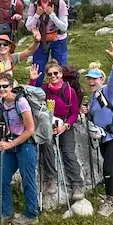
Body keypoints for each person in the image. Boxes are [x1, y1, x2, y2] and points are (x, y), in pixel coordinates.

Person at [82, 40, 113, 217]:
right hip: (103, 137)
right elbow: (96, 118)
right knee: (112, 166)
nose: (91, 81)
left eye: (94, 78)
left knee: (107, 167)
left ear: (101, 79)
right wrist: (86, 113)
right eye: (89, 78)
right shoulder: (92, 98)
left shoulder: (108, 90)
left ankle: (109, 200)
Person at [29, 61, 84, 202]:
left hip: (64, 124)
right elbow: (31, 96)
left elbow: (74, 112)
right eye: (50, 74)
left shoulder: (69, 91)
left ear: (61, 74)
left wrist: (65, 126)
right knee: (47, 146)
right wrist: (33, 80)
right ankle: (51, 178)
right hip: (48, 124)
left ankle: (77, 184)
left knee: (68, 151)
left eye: (56, 73)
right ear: (47, 76)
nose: (53, 76)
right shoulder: (43, 89)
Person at [0, 72, 39, 225]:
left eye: (5, 86)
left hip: (26, 144)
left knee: (28, 179)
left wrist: (10, 144)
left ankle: (31, 215)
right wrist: (5, 133)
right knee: (3, 178)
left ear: (11, 86)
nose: (2, 89)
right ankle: (6, 212)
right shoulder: (2, 101)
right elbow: (10, 121)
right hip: (11, 141)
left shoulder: (22, 103)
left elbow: (30, 129)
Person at [25, 0, 69, 84]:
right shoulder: (34, 4)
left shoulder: (60, 3)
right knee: (38, 68)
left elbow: (64, 27)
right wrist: (37, 15)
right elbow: (28, 26)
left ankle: (61, 91)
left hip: (58, 39)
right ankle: (36, 91)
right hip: (41, 40)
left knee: (60, 68)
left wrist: (52, 15)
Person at [0, 29, 41, 97]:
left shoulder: (12, 58)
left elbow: (29, 51)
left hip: (8, 90)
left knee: (34, 92)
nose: (2, 46)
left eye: (5, 44)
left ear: (9, 47)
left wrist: (36, 41)